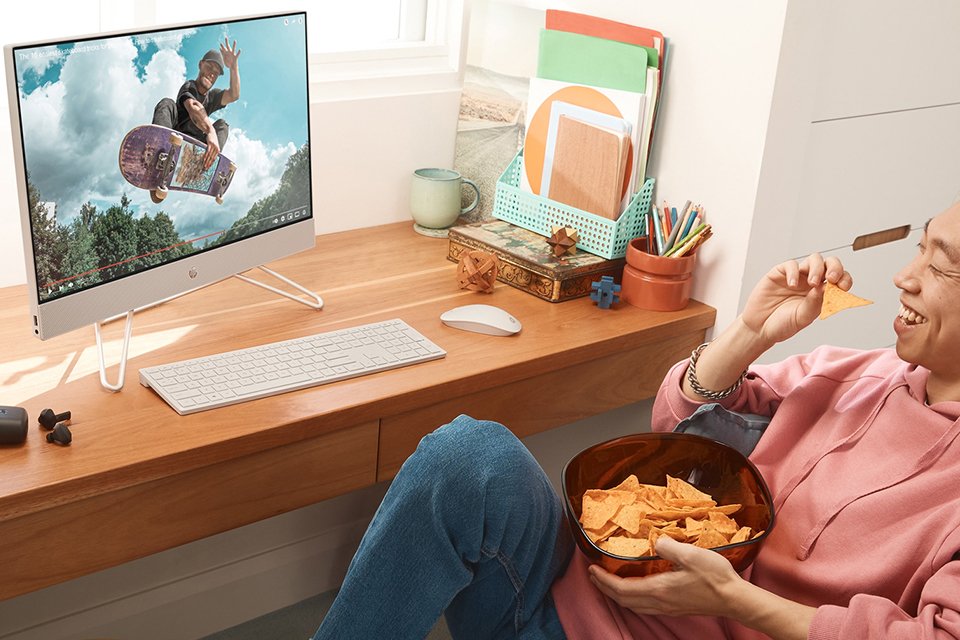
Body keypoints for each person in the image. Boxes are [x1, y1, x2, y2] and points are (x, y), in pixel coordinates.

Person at [311, 202, 960, 640]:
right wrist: (750, 332)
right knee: (466, 454)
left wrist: (732, 601)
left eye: (939, 264)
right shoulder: (846, 373)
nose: (905, 278)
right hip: (573, 602)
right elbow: (680, 426)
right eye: (918, 250)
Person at [152, 38, 241, 179]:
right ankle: (160, 154)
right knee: (166, 103)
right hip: (175, 137)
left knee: (223, 125)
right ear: (200, 64)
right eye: (209, 67)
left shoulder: (213, 96)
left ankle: (205, 163)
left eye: (216, 73)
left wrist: (234, 67)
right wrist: (210, 130)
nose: (212, 73)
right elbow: (193, 108)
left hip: (196, 146)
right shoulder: (189, 86)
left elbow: (234, 95)